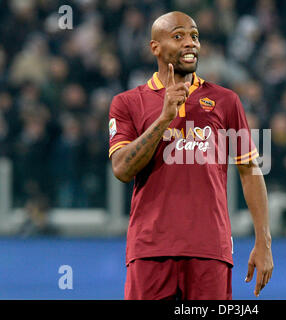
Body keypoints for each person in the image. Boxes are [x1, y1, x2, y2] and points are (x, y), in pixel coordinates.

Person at [108, 11, 273, 300]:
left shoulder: (226, 101)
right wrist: (163, 120)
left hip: (210, 249)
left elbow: (250, 170)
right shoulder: (127, 103)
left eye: (194, 36)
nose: (190, 43)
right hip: (150, 250)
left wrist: (264, 241)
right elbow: (121, 169)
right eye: (178, 36)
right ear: (155, 48)